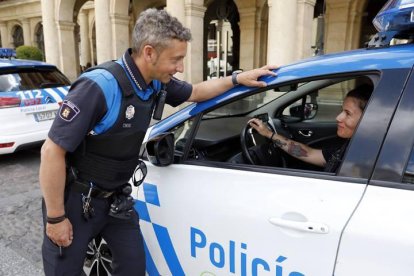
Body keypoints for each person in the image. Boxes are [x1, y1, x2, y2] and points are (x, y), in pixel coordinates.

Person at [39, 8, 277, 276]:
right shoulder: (100, 86)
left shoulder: (154, 82)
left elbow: (196, 92)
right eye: (175, 59)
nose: (180, 67)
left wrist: (237, 79)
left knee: (132, 268)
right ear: (149, 52)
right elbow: (51, 152)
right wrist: (56, 218)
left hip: (115, 200)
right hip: (76, 201)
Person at [248, 84, 372, 172]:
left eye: (348, 113)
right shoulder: (351, 147)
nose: (338, 118)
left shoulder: (367, 160)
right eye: (342, 111)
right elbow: (308, 153)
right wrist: (270, 134)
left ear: (368, 118)